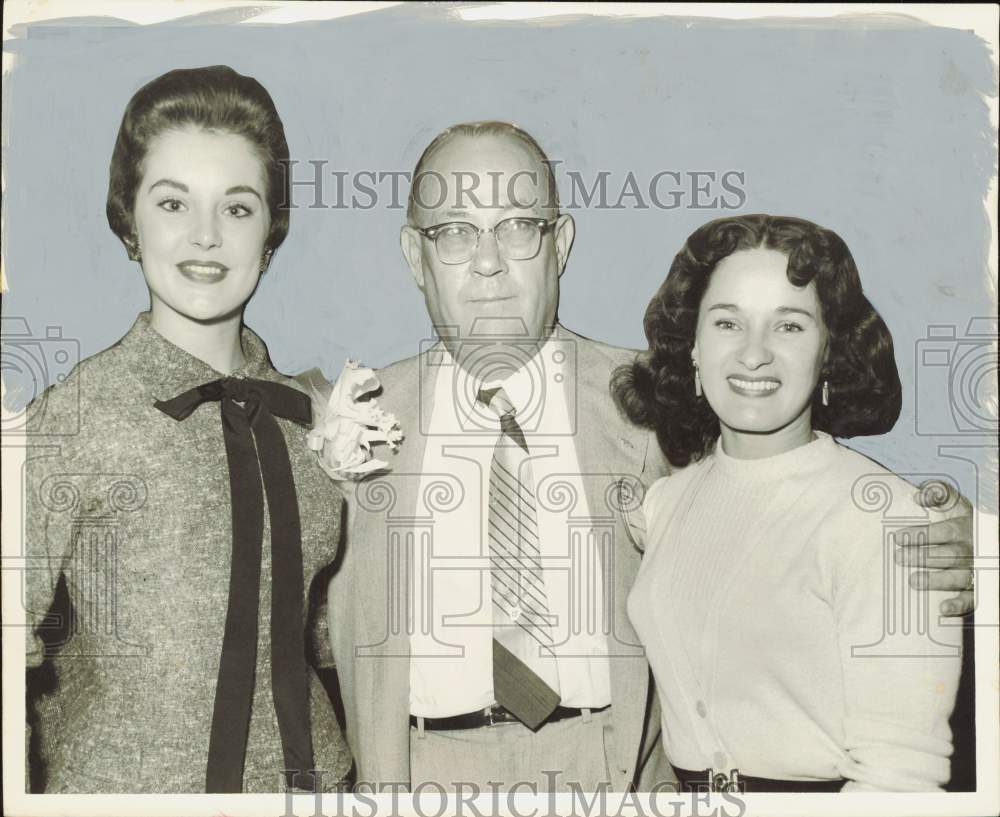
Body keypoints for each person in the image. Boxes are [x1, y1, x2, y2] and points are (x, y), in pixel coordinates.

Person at [326, 122, 975, 793]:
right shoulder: (344, 423)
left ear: (561, 244)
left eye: (520, 226)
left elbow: (796, 492)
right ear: (414, 254)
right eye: (455, 231)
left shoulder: (656, 404)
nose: (488, 261)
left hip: (617, 775)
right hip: (418, 774)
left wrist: (969, 539)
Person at [24, 65, 351, 793]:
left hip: (317, 788)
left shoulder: (317, 415)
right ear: (130, 218)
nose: (205, 236)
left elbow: (339, 634)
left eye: (237, 209)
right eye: (173, 202)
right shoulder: (75, 414)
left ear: (271, 231)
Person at [618, 214, 964, 792]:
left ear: (829, 352)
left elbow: (902, 775)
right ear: (694, 349)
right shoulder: (665, 504)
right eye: (728, 322)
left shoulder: (890, 520)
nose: (754, 355)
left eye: (790, 327)